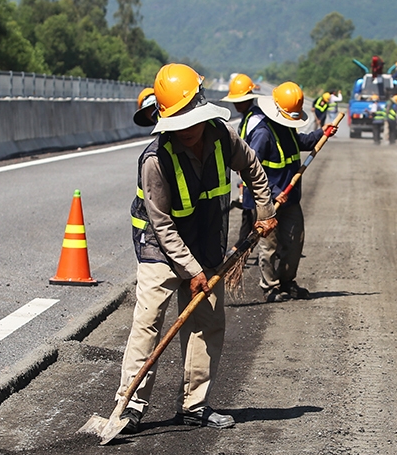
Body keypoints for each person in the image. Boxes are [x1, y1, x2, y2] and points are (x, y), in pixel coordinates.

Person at [118, 63, 277, 434]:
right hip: (161, 249)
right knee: (148, 322)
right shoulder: (155, 160)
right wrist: (192, 271)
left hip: (207, 244)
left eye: (190, 120)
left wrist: (265, 209)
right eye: (176, 123)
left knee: (206, 323)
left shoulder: (223, 137)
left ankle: (194, 405)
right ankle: (129, 406)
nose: (186, 130)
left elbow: (251, 166)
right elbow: (162, 224)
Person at [243, 81, 336, 302]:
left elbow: (301, 142)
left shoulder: (287, 126)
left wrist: (321, 134)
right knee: (269, 246)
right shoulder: (263, 134)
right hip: (269, 202)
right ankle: (270, 287)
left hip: (291, 200)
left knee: (295, 242)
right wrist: (274, 192)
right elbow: (251, 171)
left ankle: (287, 282)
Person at [222, 73, 262, 249]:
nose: (237, 104)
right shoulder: (247, 117)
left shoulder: (255, 120)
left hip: (254, 176)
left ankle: (242, 247)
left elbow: (254, 154)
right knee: (247, 213)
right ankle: (242, 246)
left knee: (251, 213)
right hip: (247, 176)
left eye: (240, 100)